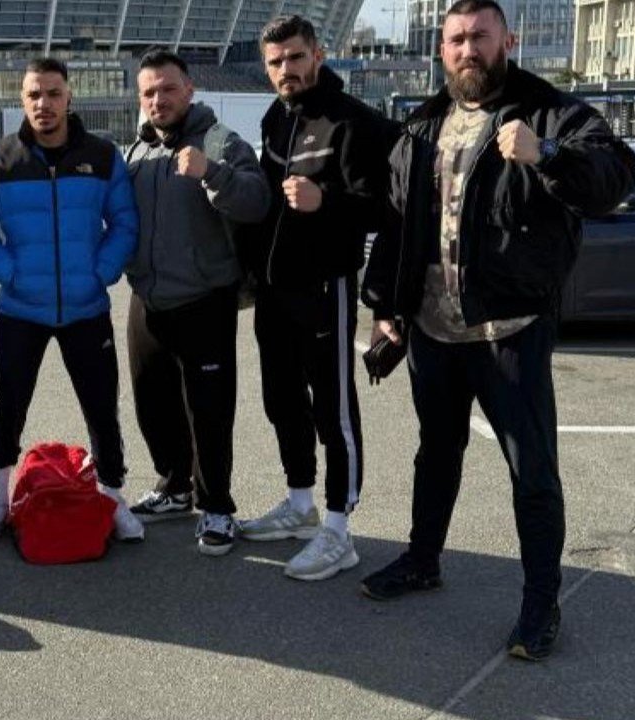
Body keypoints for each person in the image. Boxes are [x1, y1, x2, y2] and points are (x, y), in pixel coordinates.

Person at [359, 0, 635, 660]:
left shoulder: (551, 114)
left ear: (506, 41)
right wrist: (385, 304)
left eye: (479, 37)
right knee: (436, 452)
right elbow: (397, 224)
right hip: (433, 331)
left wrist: (548, 155)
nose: (468, 49)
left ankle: (541, 605)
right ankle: (422, 560)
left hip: (509, 331)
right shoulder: (421, 126)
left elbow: (613, 179)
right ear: (442, 50)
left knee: (531, 471)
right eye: (456, 39)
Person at [236, 15, 394, 580]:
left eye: (295, 57)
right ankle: (300, 504)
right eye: (276, 62)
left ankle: (338, 528)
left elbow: (382, 207)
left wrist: (324, 200)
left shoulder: (353, 122)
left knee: (334, 408)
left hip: (326, 285)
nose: (287, 69)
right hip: (275, 289)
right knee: (282, 400)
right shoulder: (275, 117)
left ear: (318, 55)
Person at [0, 58, 142, 544]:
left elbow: (124, 223)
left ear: (68, 97)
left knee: (102, 408)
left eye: (53, 93)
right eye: (34, 95)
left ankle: (112, 497)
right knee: (8, 405)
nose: (44, 103)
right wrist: (10, 272)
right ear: (22, 100)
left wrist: (100, 274)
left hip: (87, 308)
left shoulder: (102, 155)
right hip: (20, 308)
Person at [121, 49, 270, 556]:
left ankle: (217, 506)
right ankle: (174, 485)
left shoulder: (219, 140)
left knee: (208, 411)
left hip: (204, 299)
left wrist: (212, 173)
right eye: (149, 92)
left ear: (189, 90)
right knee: (151, 401)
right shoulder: (138, 150)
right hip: (147, 298)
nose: (158, 99)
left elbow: (256, 201)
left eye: (168, 89)